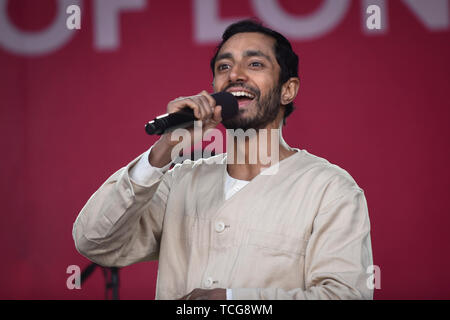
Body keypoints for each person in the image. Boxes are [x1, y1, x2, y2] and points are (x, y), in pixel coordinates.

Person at [73, 19, 373, 300]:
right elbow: (94, 241)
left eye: (255, 64)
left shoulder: (329, 189)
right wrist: (165, 147)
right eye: (224, 66)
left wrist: (234, 299)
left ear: (287, 90)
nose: (235, 75)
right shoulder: (180, 181)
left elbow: (345, 294)